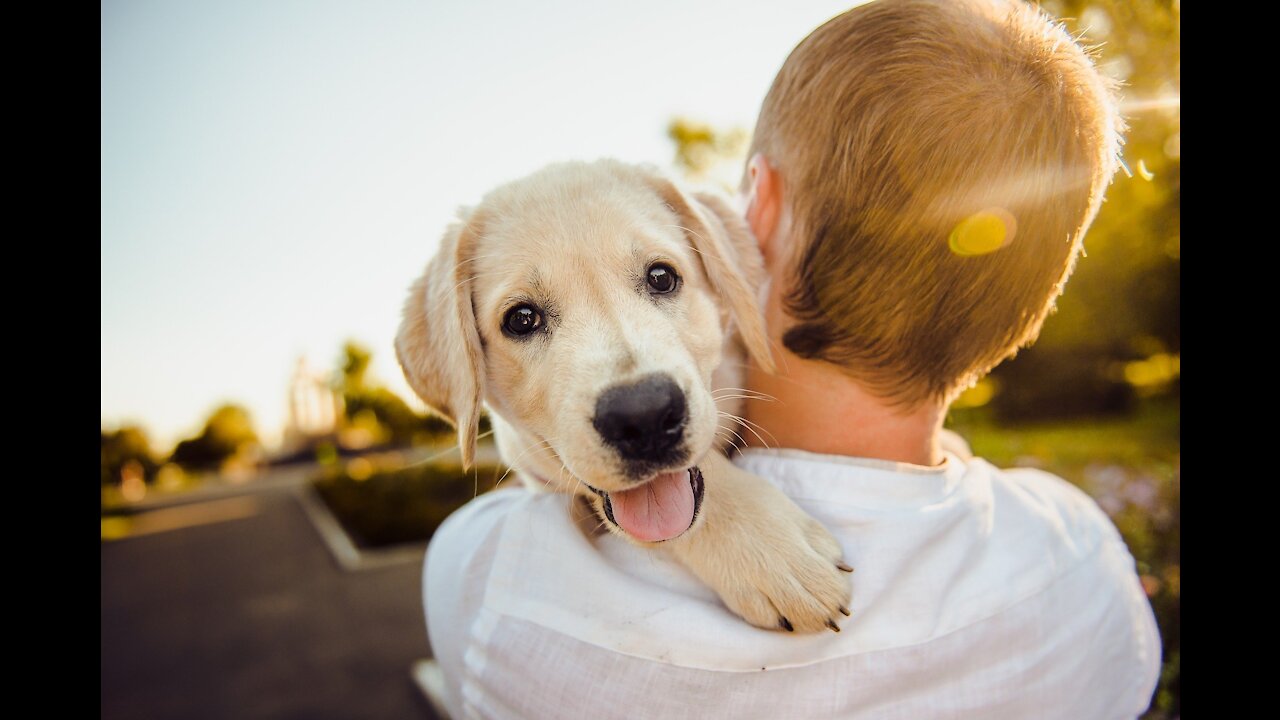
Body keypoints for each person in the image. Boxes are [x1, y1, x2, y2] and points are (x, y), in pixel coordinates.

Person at [418, 1, 1162, 718]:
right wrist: (713, 508)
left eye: (660, 279)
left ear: (756, 212)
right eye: (525, 319)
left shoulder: (489, 581)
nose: (633, 385)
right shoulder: (1083, 559)